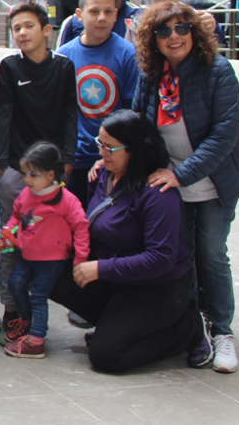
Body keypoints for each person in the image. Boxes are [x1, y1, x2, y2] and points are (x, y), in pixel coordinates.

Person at [131, 2, 239, 374]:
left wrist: (181, 175)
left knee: (212, 254)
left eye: (182, 28)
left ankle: (223, 331)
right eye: (164, 31)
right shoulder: (151, 75)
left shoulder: (219, 70)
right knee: (182, 257)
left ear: (195, 32)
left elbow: (224, 136)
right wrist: (113, 154)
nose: (174, 36)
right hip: (171, 184)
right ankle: (195, 329)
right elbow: (139, 126)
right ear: (153, 39)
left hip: (214, 181)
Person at [49, 111, 213, 374]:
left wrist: (100, 268)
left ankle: (189, 328)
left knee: (106, 356)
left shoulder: (158, 193)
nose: (101, 153)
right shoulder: (103, 174)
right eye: (100, 144)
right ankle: (117, 325)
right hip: (116, 279)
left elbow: (160, 259)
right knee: (49, 271)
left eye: (110, 148)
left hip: (156, 288)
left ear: (135, 149)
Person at [0, 1, 78, 344]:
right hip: (16, 170)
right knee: (12, 244)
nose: (22, 33)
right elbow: (3, 117)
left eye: (28, 26)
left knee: (49, 244)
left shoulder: (64, 67)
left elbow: (71, 115)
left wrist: (67, 161)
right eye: (16, 28)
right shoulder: (9, 67)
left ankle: (38, 313)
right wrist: (2, 168)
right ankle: (12, 312)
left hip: (54, 175)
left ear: (46, 31)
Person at [0, 142, 90, 359]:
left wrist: (81, 258)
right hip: (27, 255)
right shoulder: (26, 194)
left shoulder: (67, 200)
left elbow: (81, 228)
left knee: (38, 297)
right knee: (16, 284)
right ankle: (28, 322)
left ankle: (36, 341)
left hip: (52, 260)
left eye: (34, 174)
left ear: (51, 175)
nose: (27, 179)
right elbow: (16, 215)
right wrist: (8, 230)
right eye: (25, 173)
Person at [56, 0, 140, 202]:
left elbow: (131, 111)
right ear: (79, 15)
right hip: (74, 160)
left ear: (116, 15)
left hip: (115, 160)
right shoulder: (64, 55)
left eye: (108, 12)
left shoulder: (129, 54)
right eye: (94, 11)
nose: (102, 17)